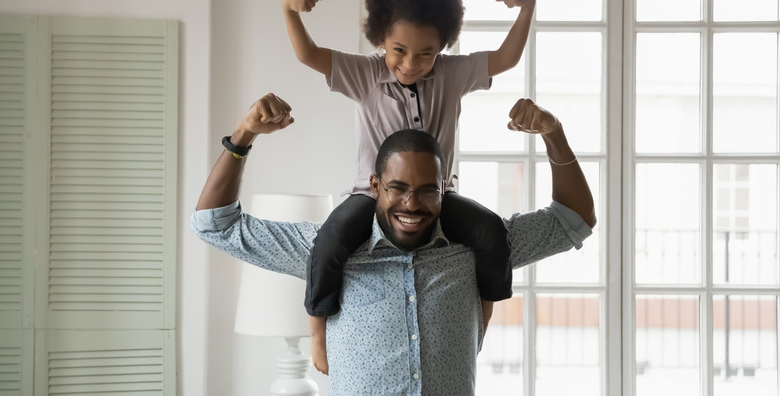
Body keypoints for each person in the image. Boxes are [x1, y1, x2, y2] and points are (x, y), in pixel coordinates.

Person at [191, 93, 596, 395]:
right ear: (374, 186)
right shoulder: (327, 248)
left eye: (426, 191)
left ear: (445, 189)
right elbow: (215, 225)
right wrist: (243, 136)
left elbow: (574, 220)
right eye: (397, 188)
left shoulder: (477, 247)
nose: (411, 204)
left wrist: (553, 133)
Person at [281, 0, 537, 372]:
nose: (410, 64)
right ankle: (316, 333)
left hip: (439, 197)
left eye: (425, 53)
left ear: (442, 47)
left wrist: (527, 9)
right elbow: (308, 55)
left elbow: (506, 58)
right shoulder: (365, 75)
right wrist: (289, 10)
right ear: (381, 38)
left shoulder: (453, 75)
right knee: (329, 241)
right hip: (373, 197)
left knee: (491, 232)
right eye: (398, 50)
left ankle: (480, 326)